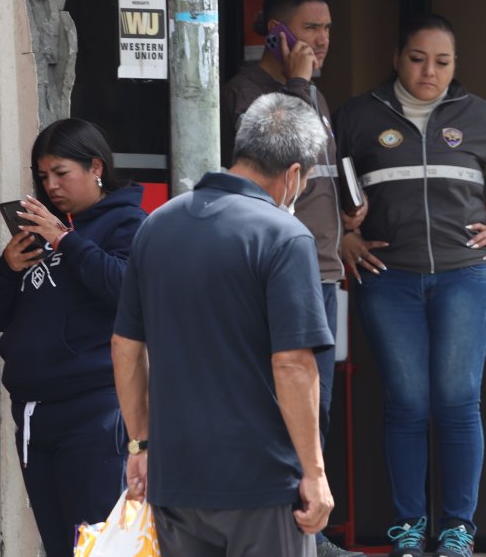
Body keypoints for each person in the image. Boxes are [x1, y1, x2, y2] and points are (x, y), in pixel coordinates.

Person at [335, 14, 486, 557]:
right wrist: (340, 236)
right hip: (389, 279)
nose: (430, 71)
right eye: (417, 58)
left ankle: (457, 529)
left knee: (457, 401)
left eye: (443, 61)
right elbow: (318, 183)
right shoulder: (358, 118)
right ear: (396, 57)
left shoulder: (478, 116)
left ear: (456, 66)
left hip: (465, 278)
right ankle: (409, 526)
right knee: (406, 402)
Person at [113, 92, 337, 557]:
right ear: (293, 175)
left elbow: (125, 346)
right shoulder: (284, 235)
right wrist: (314, 473)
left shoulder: (156, 227)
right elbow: (294, 364)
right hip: (262, 486)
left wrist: (140, 443)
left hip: (176, 480)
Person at [221, 0, 366, 557]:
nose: (322, 40)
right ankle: (290, 527)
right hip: (278, 269)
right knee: (289, 399)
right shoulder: (247, 94)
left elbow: (320, 173)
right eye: (309, 28)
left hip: (325, 268)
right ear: (274, 31)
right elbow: (286, 156)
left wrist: (349, 220)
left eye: (328, 28)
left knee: (319, 405)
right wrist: (301, 84)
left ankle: (309, 528)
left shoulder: (315, 94)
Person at [0, 118, 147, 557]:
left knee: (99, 544)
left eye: (61, 173)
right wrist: (8, 268)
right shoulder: (47, 228)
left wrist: (65, 241)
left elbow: (126, 289)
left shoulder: (127, 222)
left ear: (96, 167)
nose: (51, 186)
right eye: (42, 177)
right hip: (35, 413)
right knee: (59, 545)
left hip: (94, 410)